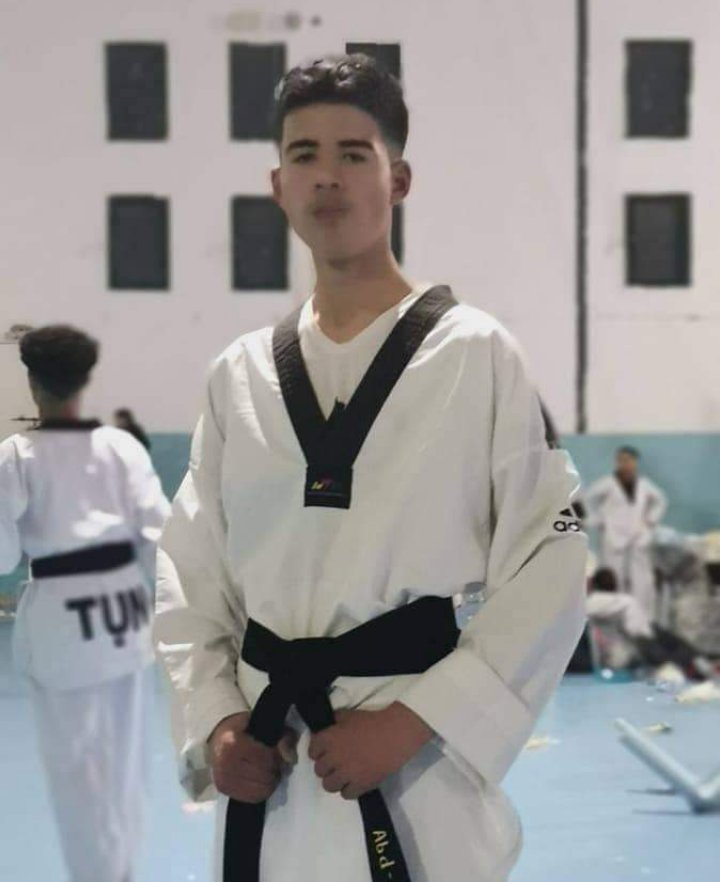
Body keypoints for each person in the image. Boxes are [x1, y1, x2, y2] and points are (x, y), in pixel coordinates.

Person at [154, 54, 587, 882]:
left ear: (399, 180)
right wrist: (217, 723)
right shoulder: (238, 375)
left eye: (354, 154)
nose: (328, 176)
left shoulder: (475, 354)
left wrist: (414, 721)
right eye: (305, 154)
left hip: (416, 768)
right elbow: (188, 572)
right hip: (270, 768)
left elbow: (551, 561)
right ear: (279, 186)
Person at [0, 325, 170, 882]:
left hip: (62, 627)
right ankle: (121, 870)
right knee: (126, 766)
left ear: (32, 382)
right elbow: (160, 538)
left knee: (78, 775)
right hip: (125, 616)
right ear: (84, 381)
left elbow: (2, 555)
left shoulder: (16, 457)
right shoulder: (121, 447)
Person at [587, 567, 716, 680]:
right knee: (669, 647)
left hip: (641, 633)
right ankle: (696, 662)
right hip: (639, 638)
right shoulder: (602, 600)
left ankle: (697, 661)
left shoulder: (613, 600)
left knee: (670, 641)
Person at [586, 446, 667, 619]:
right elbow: (588, 500)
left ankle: (642, 620)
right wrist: (599, 521)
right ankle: (616, 618)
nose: (624, 464)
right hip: (614, 537)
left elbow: (660, 501)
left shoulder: (644, 485)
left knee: (642, 579)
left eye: (628, 460)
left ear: (635, 462)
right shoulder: (607, 484)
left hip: (638, 536)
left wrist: (650, 520)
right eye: (620, 460)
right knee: (614, 577)